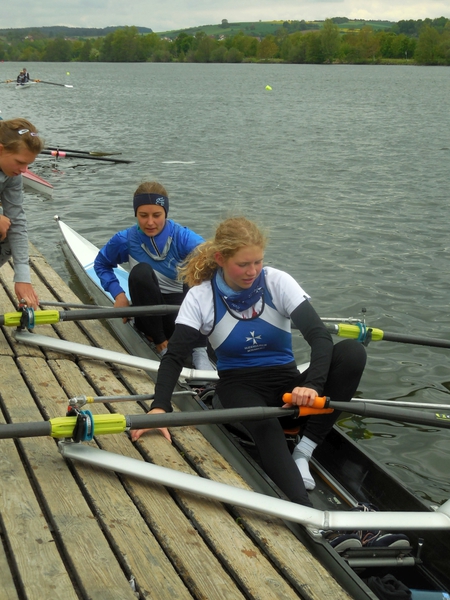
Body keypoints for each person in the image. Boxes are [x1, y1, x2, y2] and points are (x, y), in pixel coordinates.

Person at [131, 217, 367, 507]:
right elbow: (174, 357)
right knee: (266, 423)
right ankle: (306, 513)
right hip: (239, 388)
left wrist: (313, 386)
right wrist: (159, 407)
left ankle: (304, 451)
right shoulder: (201, 297)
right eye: (243, 264)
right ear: (220, 259)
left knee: (353, 352)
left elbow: (320, 337)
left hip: (288, 386)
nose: (252, 271)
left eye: (257, 262)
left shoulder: (277, 282)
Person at [94, 181, 213, 370]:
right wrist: (118, 294)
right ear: (136, 214)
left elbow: (215, 261)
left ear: (165, 213)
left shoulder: (182, 237)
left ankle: (199, 349)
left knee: (199, 268)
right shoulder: (125, 240)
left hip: (183, 314)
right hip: (148, 316)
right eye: (143, 215)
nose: (150, 222)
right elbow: (101, 264)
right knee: (140, 272)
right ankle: (160, 345)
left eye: (157, 215)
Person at [0, 118, 44, 309]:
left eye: (28, 164)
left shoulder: (13, 176)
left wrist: (23, 277)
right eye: (20, 162)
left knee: (11, 228)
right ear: (0, 150)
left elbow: (18, 222)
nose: (24, 170)